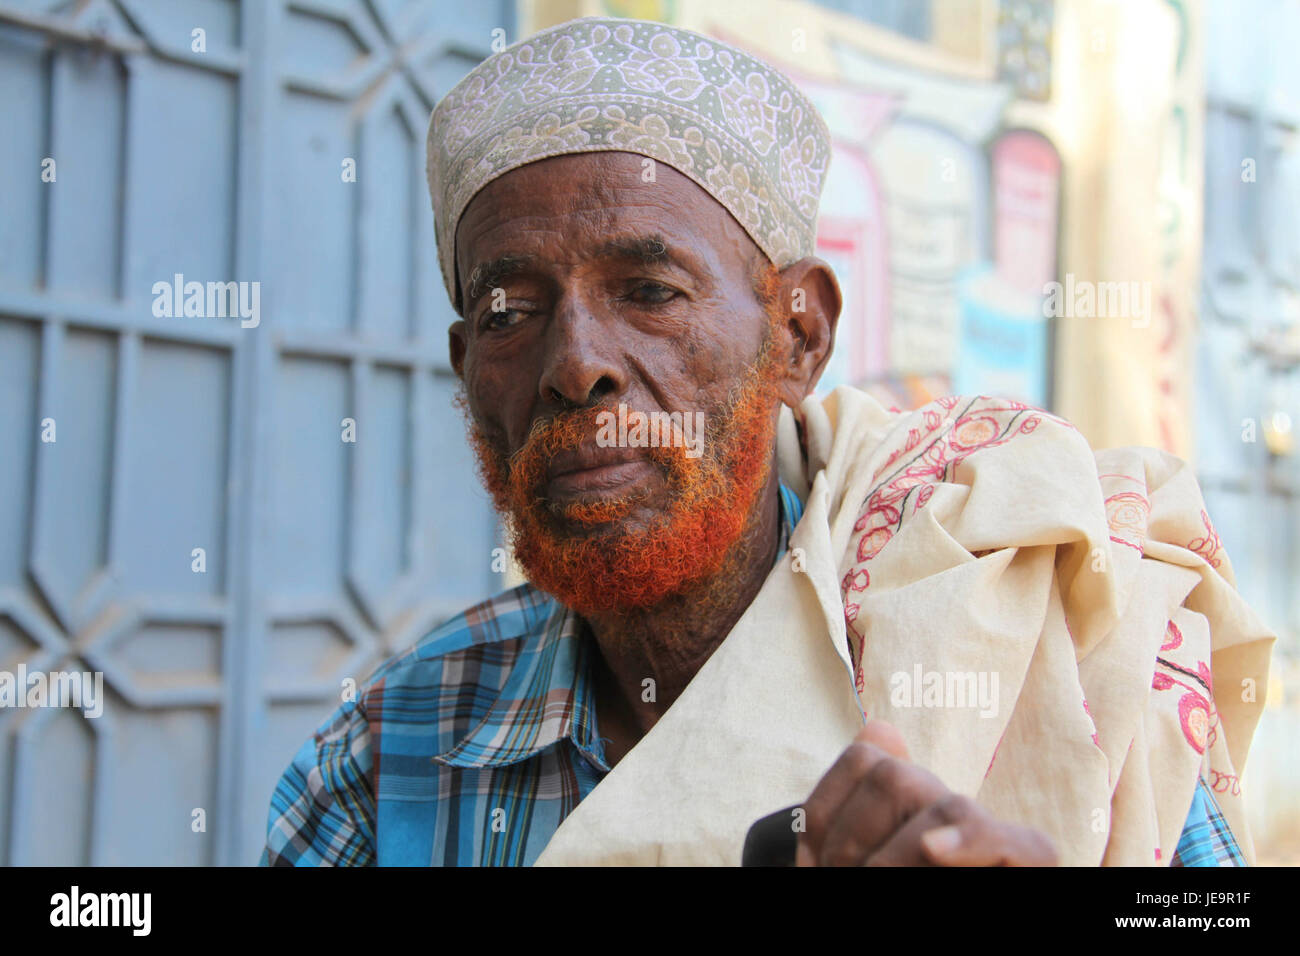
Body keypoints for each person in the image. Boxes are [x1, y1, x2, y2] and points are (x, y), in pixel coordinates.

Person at [260, 16, 1274, 867]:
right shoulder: (385, 759)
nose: (575, 365)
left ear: (799, 336)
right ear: (463, 368)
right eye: (509, 310)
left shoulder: (1046, 637)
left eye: (649, 291)